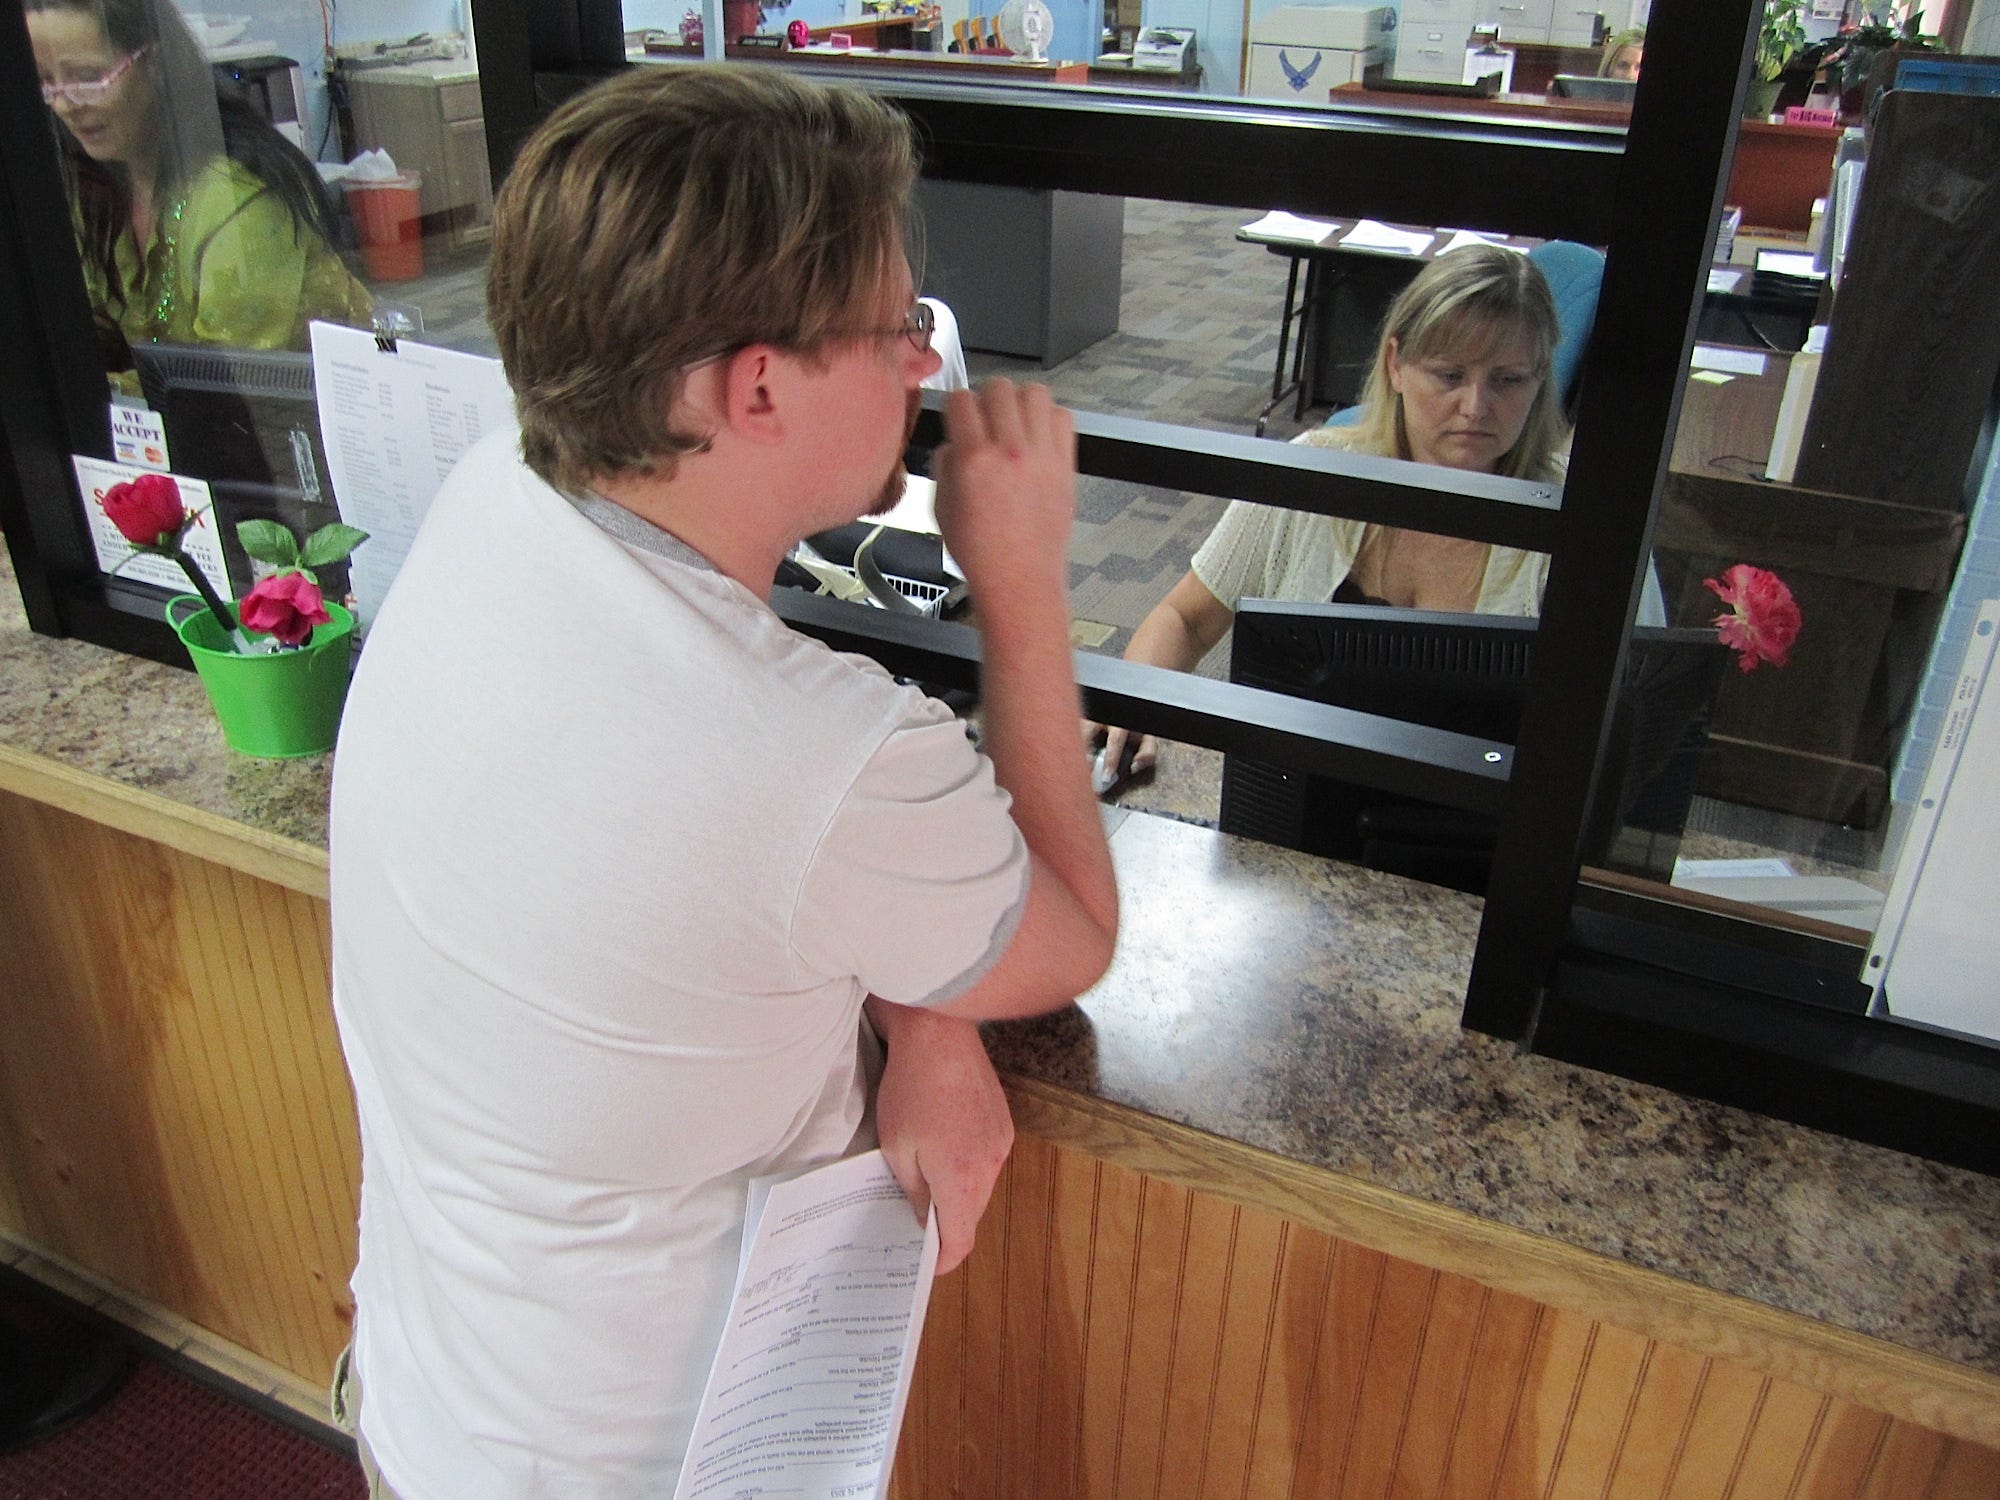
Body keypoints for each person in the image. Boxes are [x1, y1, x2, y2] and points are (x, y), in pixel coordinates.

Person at [327, 64, 1117, 1500]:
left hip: (433, 1396)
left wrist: (930, 1026)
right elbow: (1064, 935)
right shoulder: (821, 753)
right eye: (893, 331)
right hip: (651, 1463)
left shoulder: (499, 488)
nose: (925, 370)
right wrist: (1021, 584)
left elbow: (762, 867)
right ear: (757, 385)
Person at [1092, 244, 1566, 783]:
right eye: (1450, 375)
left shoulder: (1575, 522)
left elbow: (1626, 728)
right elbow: (1186, 618)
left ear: (1540, 378)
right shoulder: (1313, 472)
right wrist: (1135, 699)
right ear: (1397, 365)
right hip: (1288, 801)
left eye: (1507, 380)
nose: (1476, 407)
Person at [24, 0, 371, 379]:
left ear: (153, 64)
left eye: (88, 78)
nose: (64, 105)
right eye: (45, 81)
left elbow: (225, 391)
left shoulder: (237, 201)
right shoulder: (99, 185)